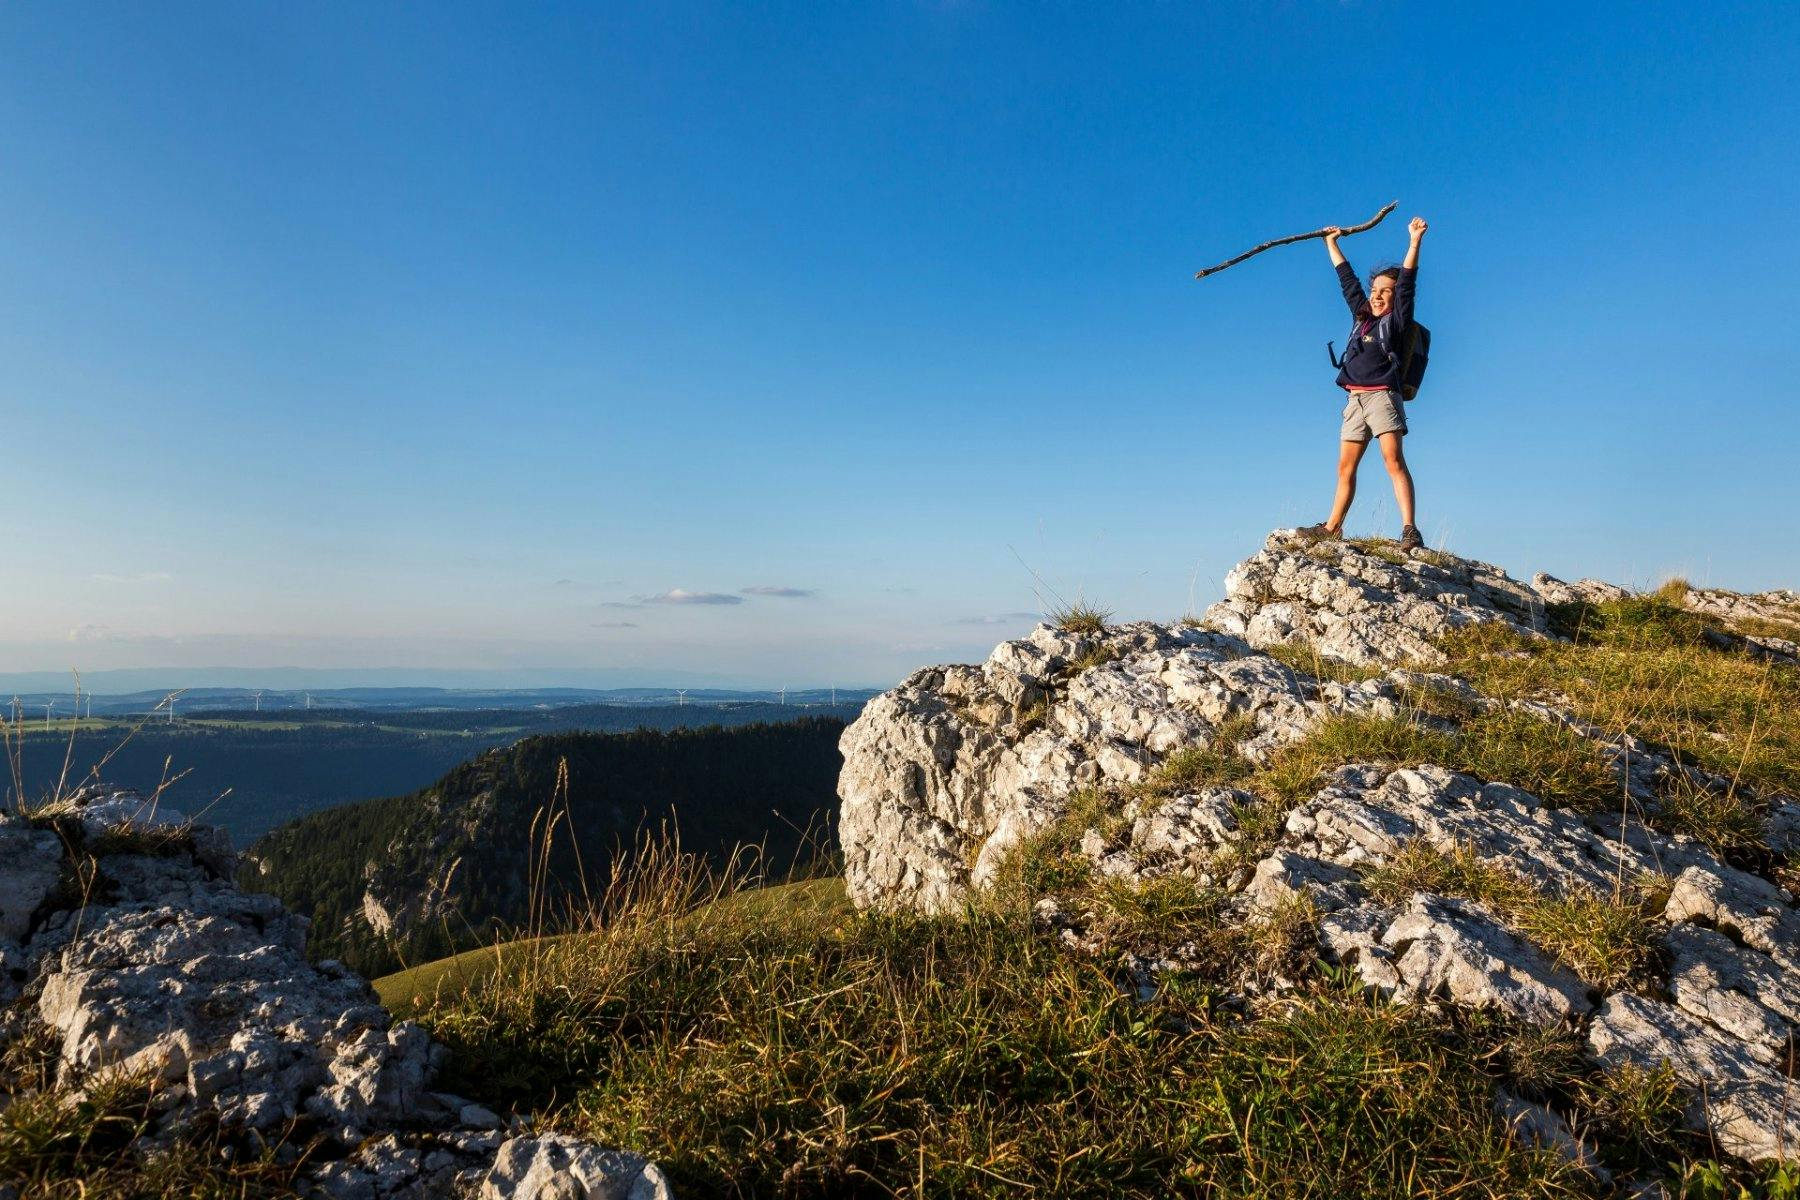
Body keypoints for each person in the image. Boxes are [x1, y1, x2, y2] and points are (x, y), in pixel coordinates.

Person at [1300, 215, 1428, 550]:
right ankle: (1332, 528)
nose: (1378, 296)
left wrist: (1414, 242)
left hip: (1383, 396)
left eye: (1386, 291)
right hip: (1354, 400)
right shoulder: (1362, 316)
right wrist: (1332, 244)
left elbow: (1408, 283)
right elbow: (1347, 281)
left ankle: (1410, 529)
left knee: (1393, 460)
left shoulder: (1397, 322)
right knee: (1345, 467)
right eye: (1375, 291)